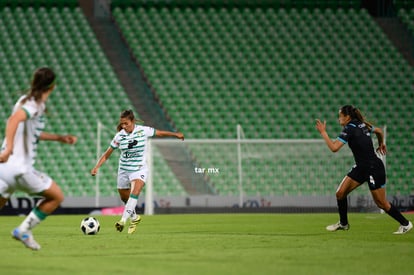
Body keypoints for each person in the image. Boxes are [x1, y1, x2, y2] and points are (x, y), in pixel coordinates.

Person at [0, 67, 78, 250]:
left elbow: (31, 132)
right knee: (56, 197)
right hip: (19, 169)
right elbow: (13, 120)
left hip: (3, 168)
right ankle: (24, 230)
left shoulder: (23, 100)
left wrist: (59, 138)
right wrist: (10, 148)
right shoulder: (35, 104)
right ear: (52, 86)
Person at [316, 105, 412, 234]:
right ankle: (343, 224)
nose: (339, 119)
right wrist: (381, 143)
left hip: (373, 168)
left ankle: (405, 224)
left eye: (340, 116)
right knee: (340, 193)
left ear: (347, 117)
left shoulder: (349, 128)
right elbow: (379, 131)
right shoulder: (362, 125)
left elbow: (334, 148)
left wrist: (323, 133)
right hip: (361, 167)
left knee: (381, 203)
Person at [91, 109, 184, 234]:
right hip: (124, 169)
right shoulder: (119, 136)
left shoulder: (143, 130)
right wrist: (97, 167)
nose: (124, 126)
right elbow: (107, 154)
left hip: (139, 168)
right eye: (122, 124)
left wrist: (175, 134)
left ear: (132, 121)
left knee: (135, 191)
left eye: (126, 123)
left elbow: (159, 133)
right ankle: (134, 218)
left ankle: (122, 221)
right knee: (124, 197)